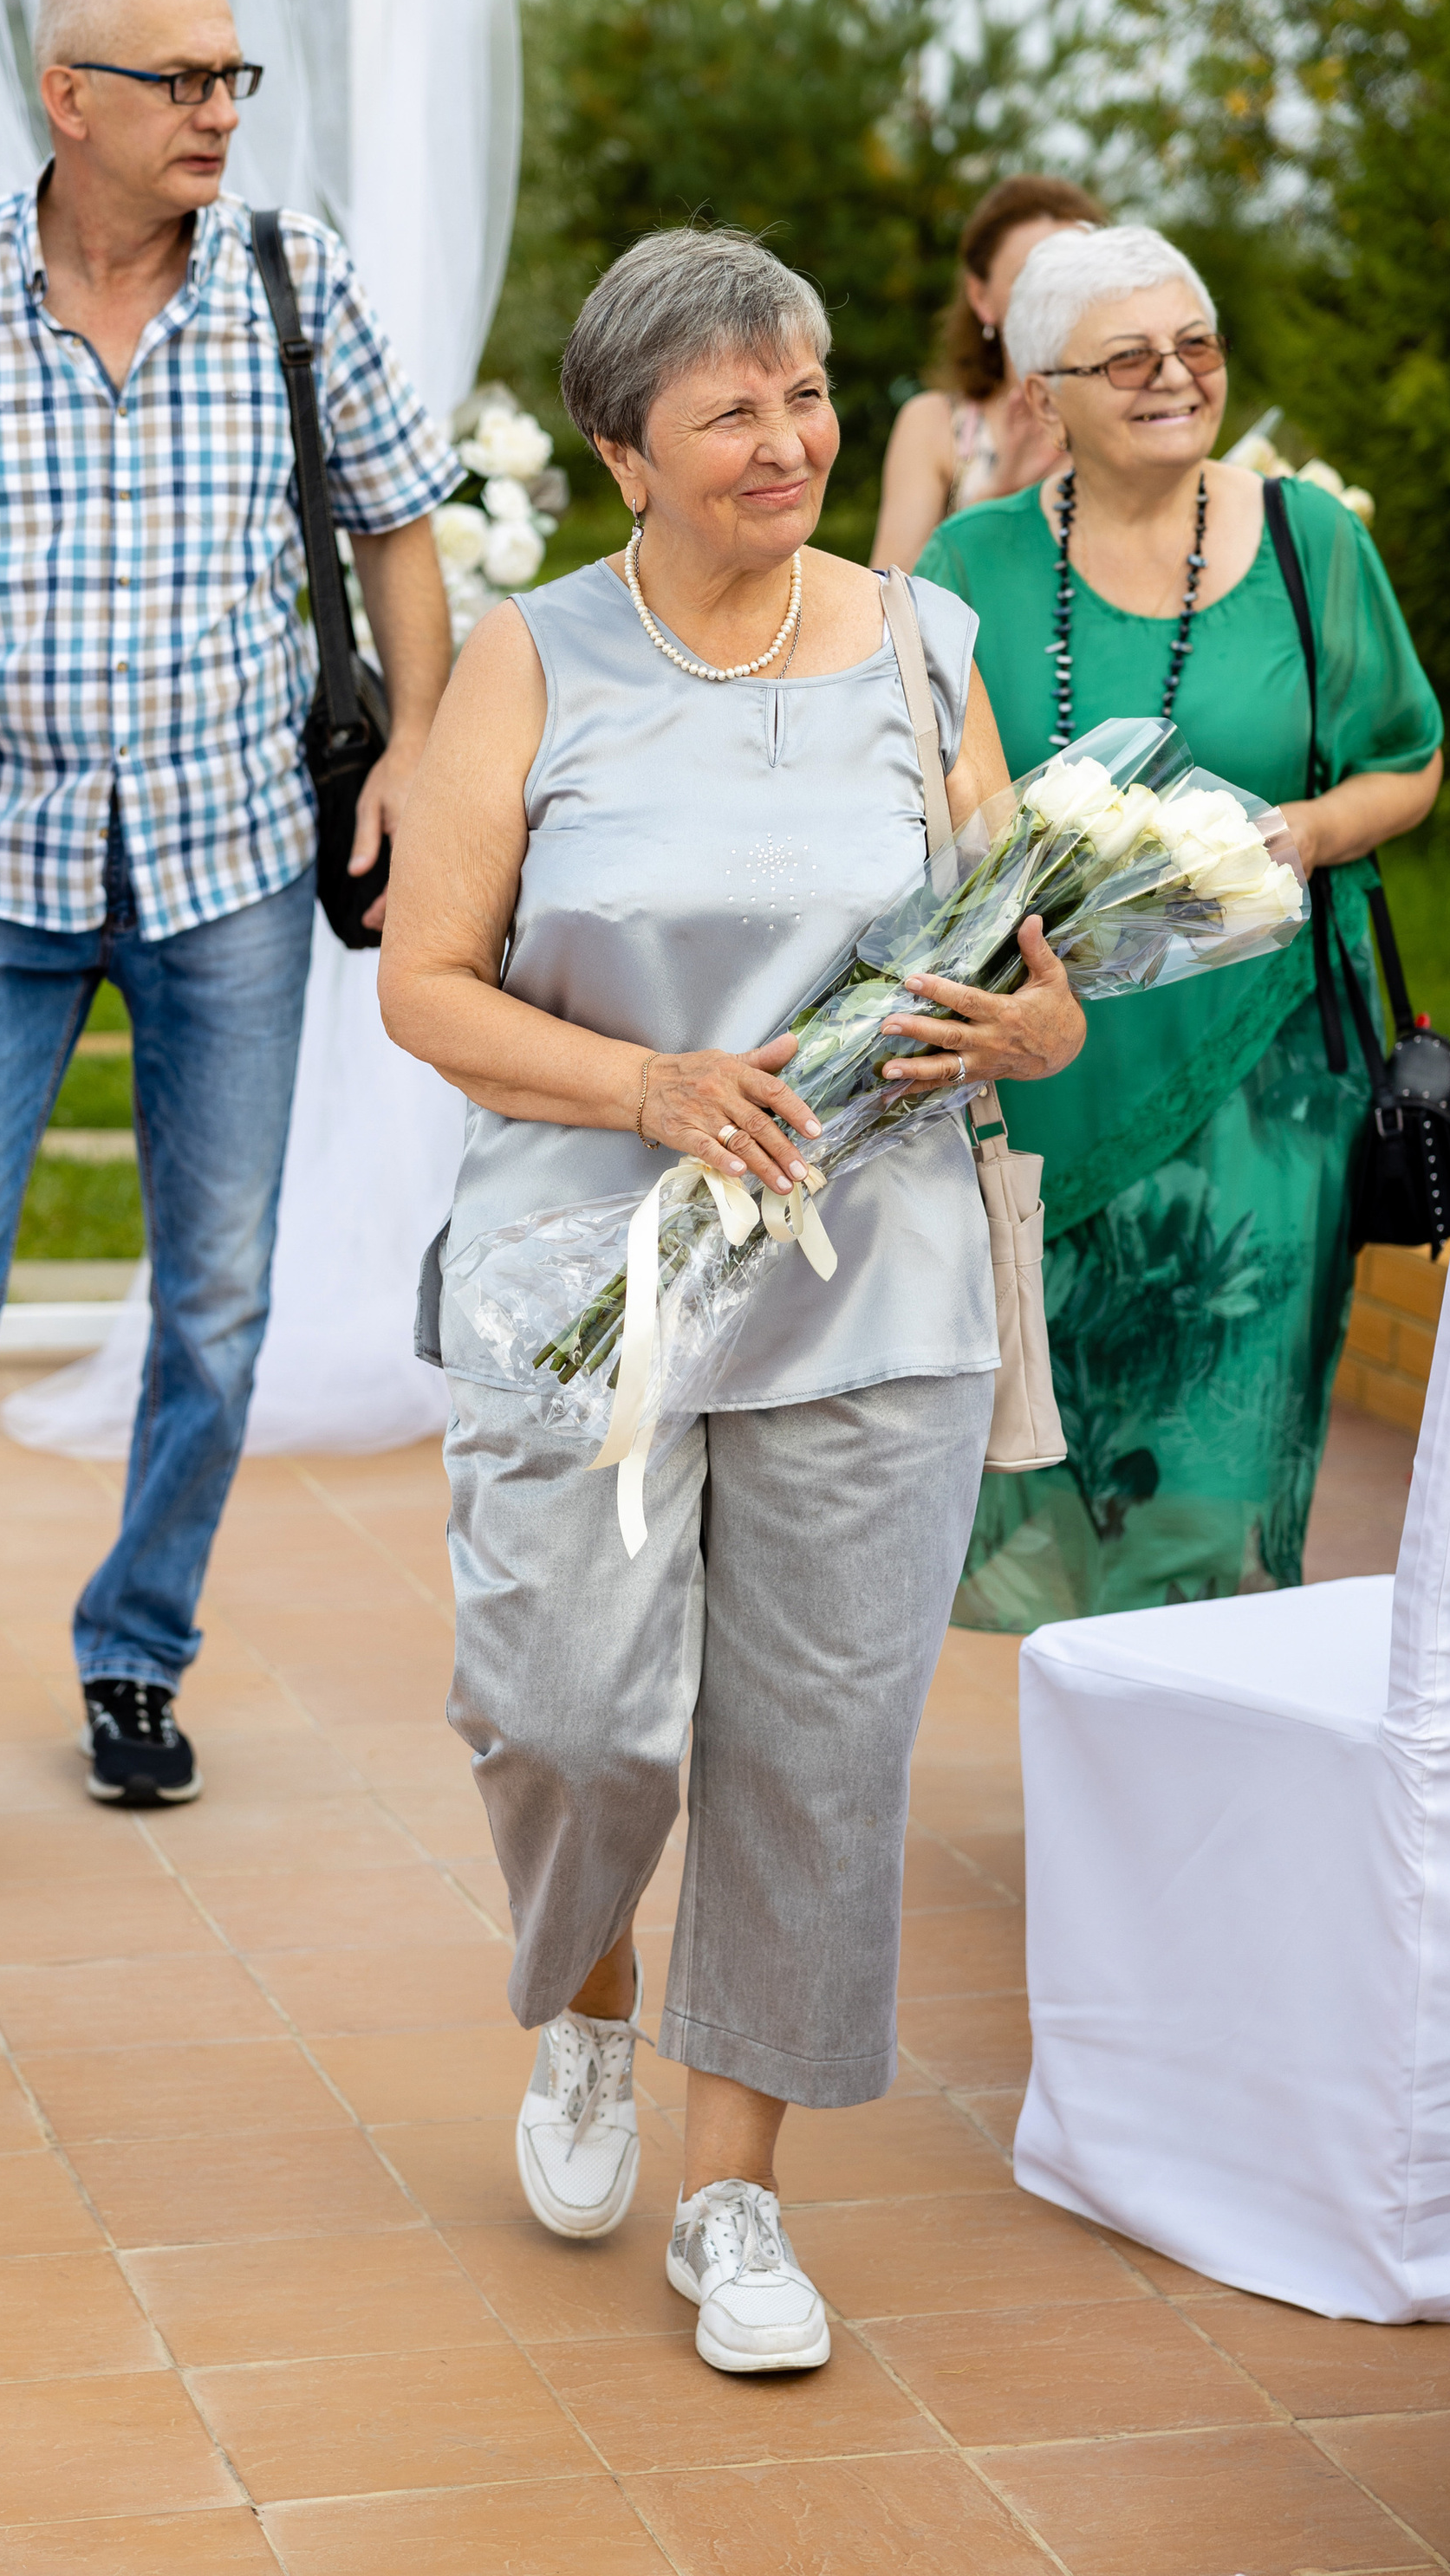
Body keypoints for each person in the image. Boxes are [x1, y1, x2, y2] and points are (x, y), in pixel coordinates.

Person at [380, 228, 1084, 2373]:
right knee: (568, 1711)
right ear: (622, 454)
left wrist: (1017, 1034)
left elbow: (1034, 986)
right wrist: (648, 1087)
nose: (788, 440)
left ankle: (733, 2193)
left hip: (870, 1282)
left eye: (805, 395)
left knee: (814, 1749)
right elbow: (424, 984)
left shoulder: (917, 645)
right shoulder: (528, 655)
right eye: (731, 412)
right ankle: (588, 1995)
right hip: (584, 1266)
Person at [0, 0, 460, 1859]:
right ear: (73, 99)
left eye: (237, 80)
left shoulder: (293, 280)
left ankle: (136, 1654)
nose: (223, 112)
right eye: (186, 83)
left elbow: (399, 526)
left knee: (215, 1304)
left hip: (230, 860)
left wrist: (412, 743)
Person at [916, 223, 1443, 1628]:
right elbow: (922, 803)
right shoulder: (966, 564)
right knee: (1065, 1466)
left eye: (1195, 346)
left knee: (1217, 1464)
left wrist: (1308, 831)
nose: (1174, 376)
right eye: (1130, 355)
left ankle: (1186, 1802)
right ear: (1043, 395)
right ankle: (1117, 1773)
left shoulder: (1309, 541)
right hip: (1049, 1071)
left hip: (1264, 1077)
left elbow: (1410, 755)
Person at [870, 174, 1105, 572]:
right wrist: (1000, 498)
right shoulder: (935, 425)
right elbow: (886, 603)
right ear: (981, 297)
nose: (1058, 293)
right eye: (1033, 275)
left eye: (1077, 273)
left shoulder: (1132, 413)